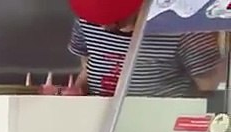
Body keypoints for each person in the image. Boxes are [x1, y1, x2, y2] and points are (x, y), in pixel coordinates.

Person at [70, 12, 223, 97]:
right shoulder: (86, 20)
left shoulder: (184, 29)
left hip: (160, 125)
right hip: (101, 124)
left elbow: (211, 90)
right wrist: (76, 94)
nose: (102, 26)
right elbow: (87, 65)